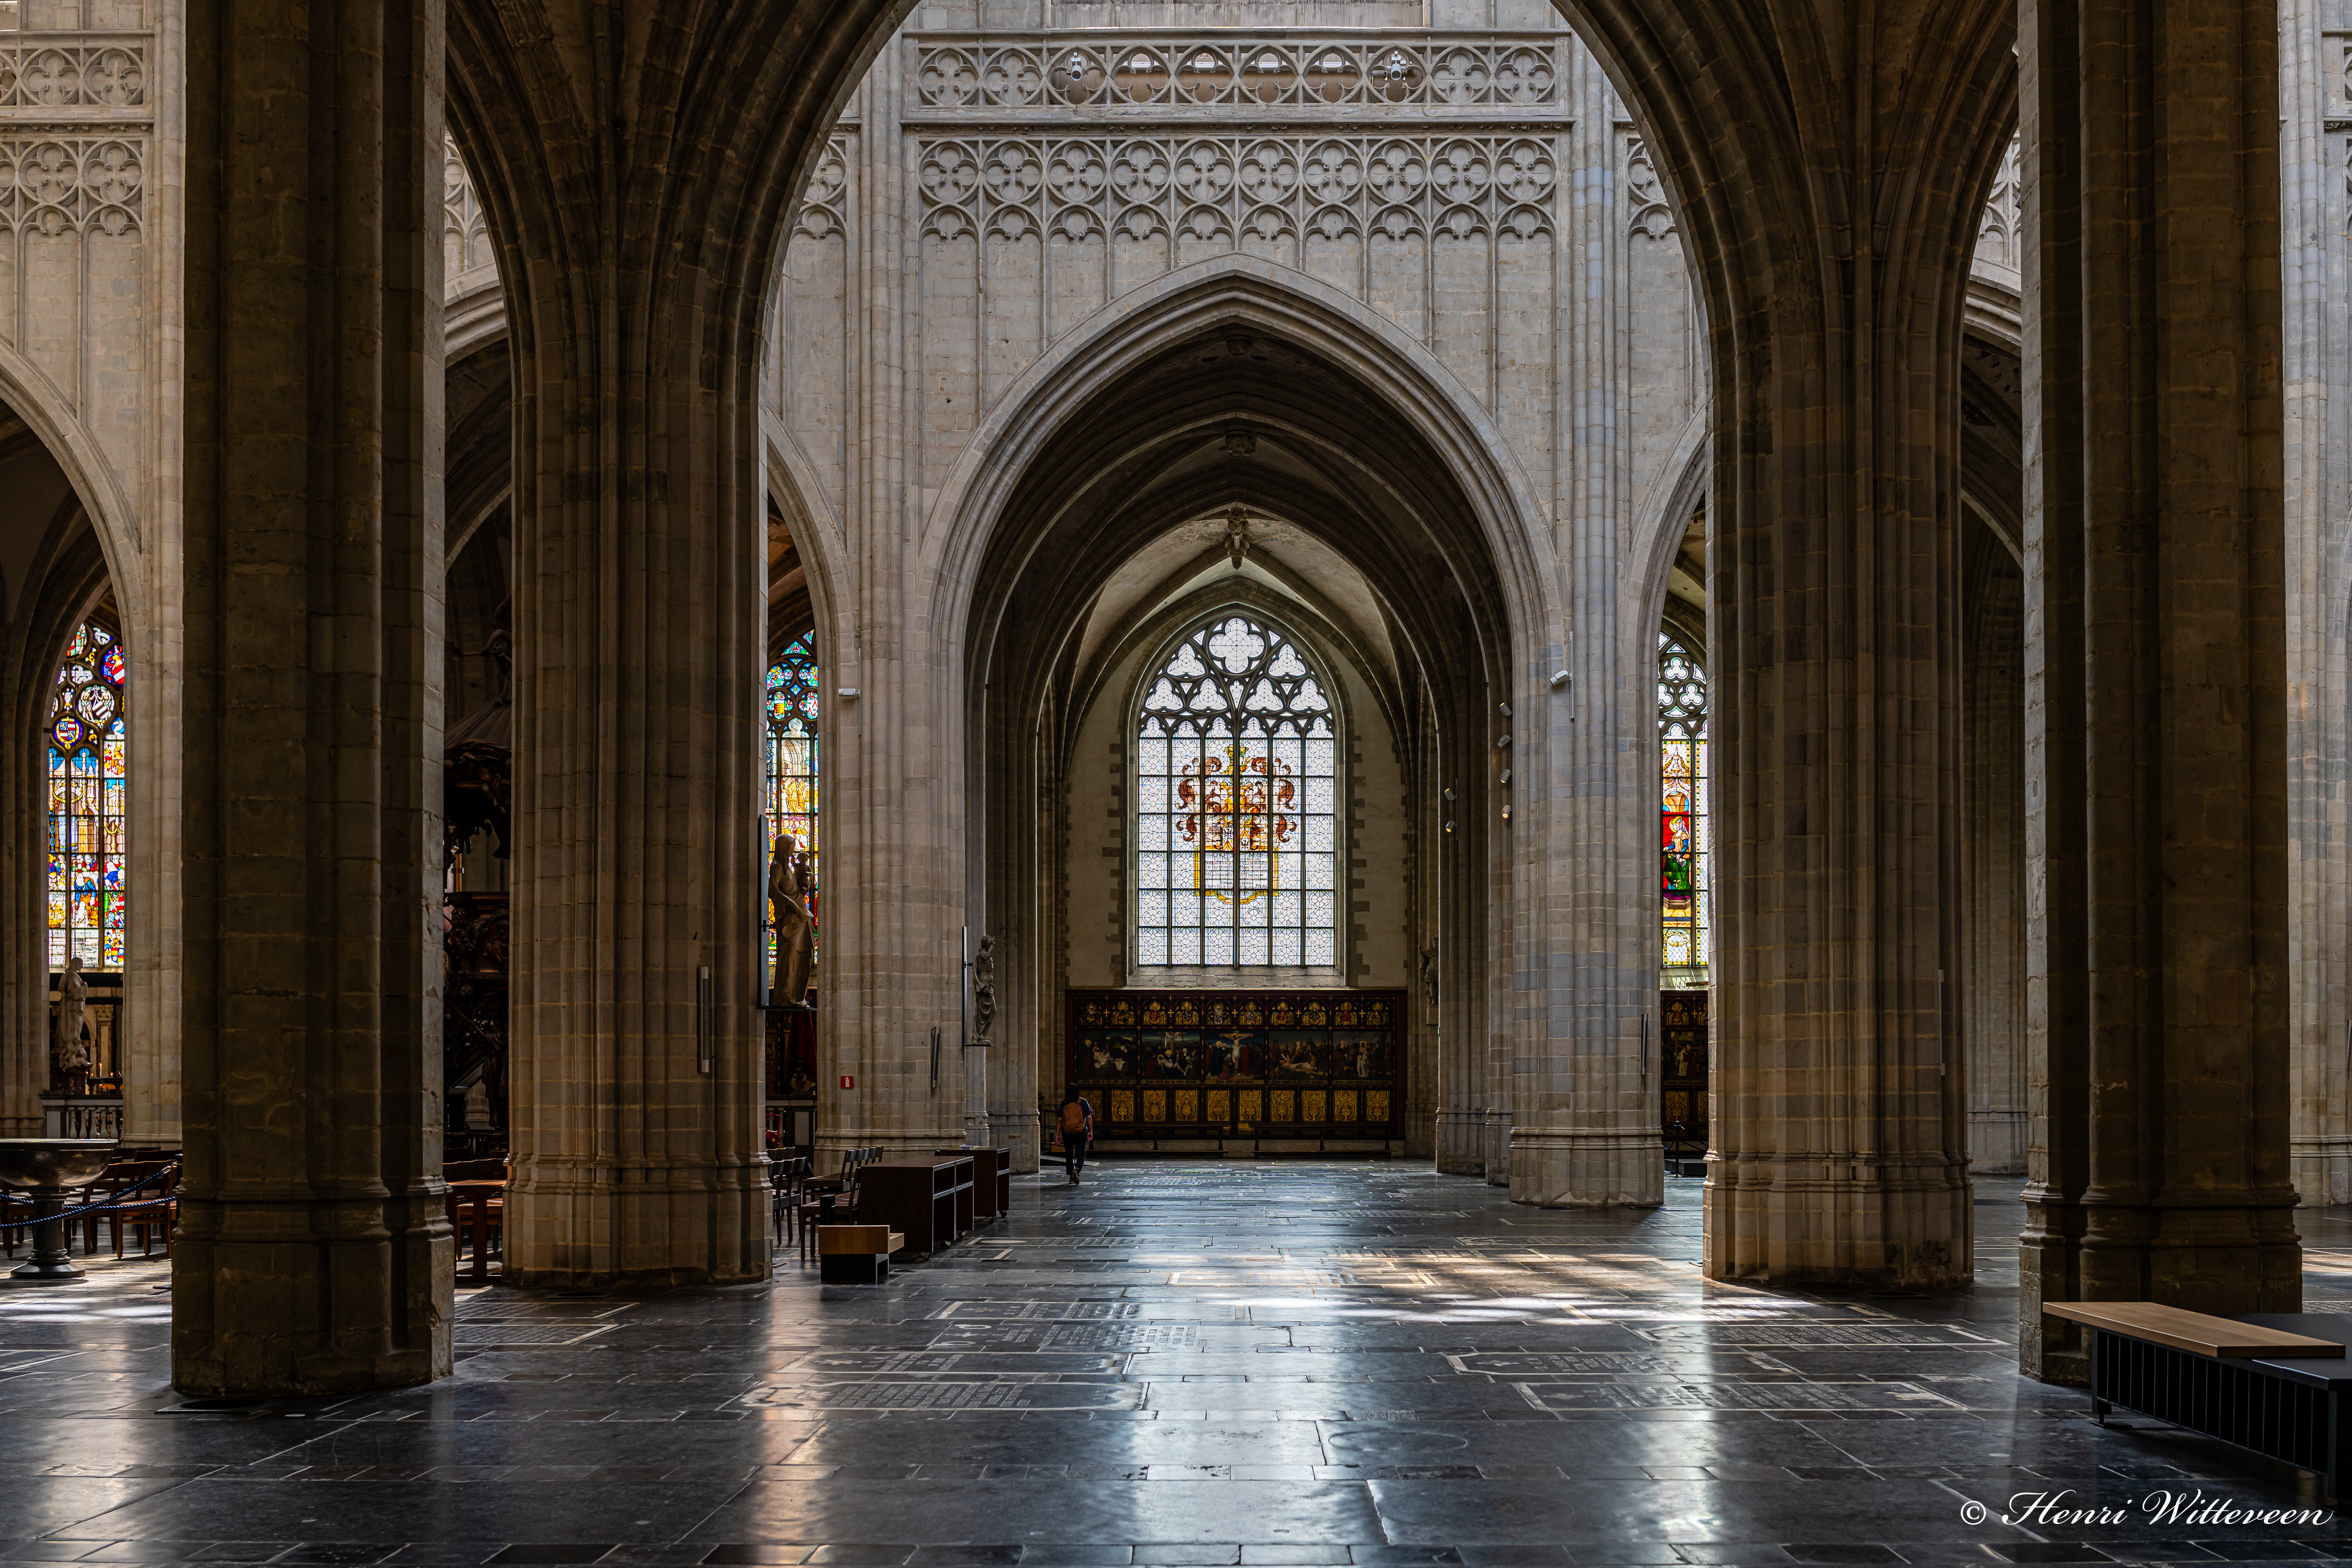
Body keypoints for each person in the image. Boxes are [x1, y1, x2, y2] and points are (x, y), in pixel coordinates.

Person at [1058, 1088, 1093, 1186]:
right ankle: (1077, 1170)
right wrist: (1091, 1131)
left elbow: (1060, 1120)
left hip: (1067, 1133)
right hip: (1081, 1132)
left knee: (1069, 1154)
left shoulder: (1064, 1103)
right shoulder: (1083, 1102)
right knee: (1081, 1153)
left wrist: (1057, 1134)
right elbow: (1089, 1117)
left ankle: (1071, 1178)